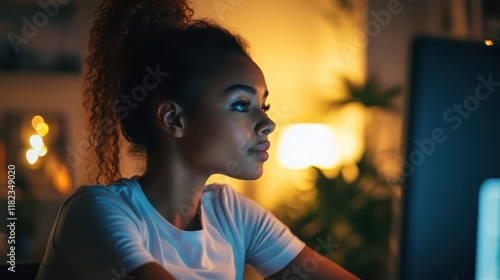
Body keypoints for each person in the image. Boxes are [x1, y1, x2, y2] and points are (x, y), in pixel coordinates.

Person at [36, 0, 360, 279]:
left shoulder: (232, 213)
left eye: (265, 105)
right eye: (241, 105)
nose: (268, 123)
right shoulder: (96, 212)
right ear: (173, 119)